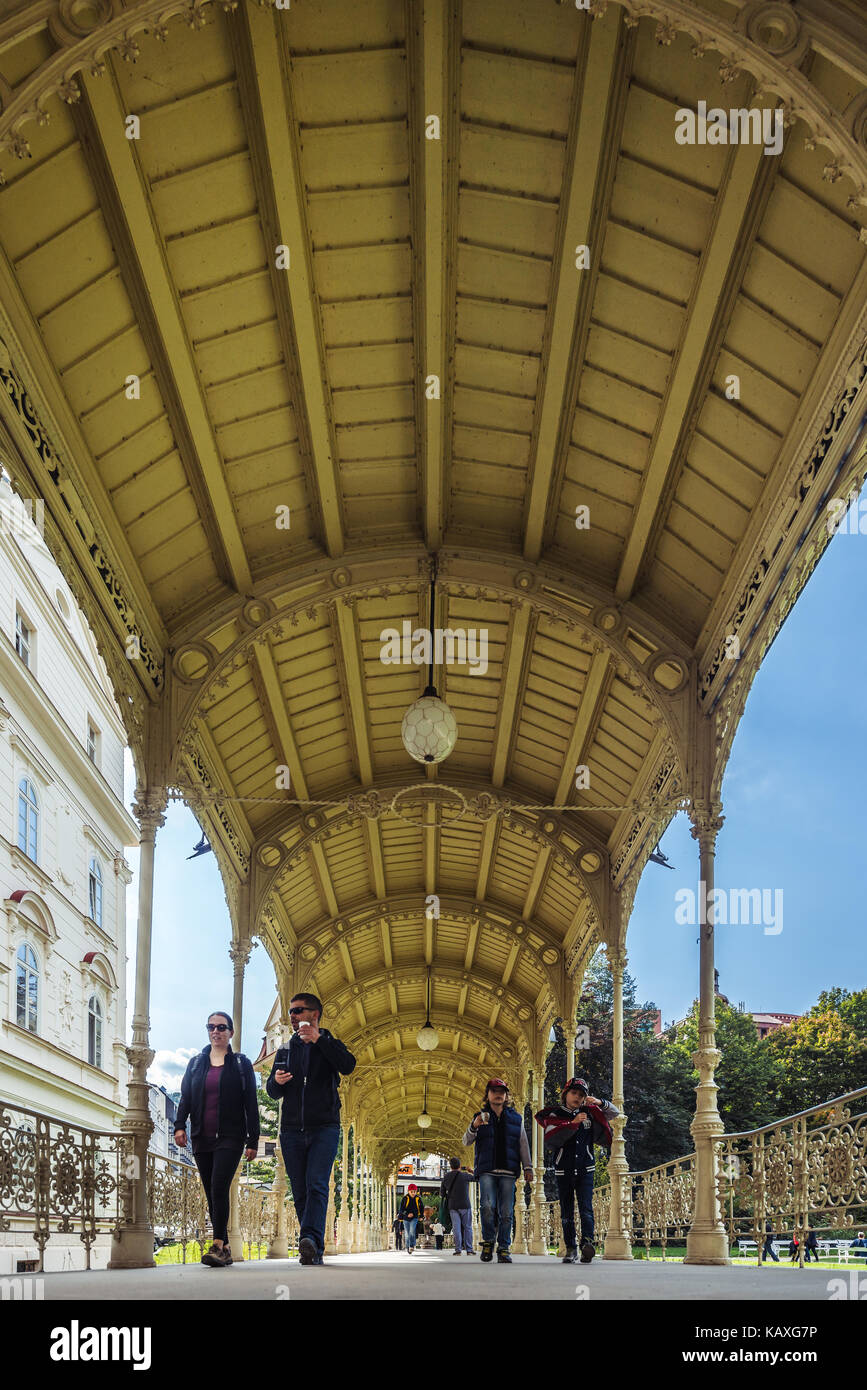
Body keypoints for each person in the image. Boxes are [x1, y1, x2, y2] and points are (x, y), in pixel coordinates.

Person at [266, 992, 356, 1266]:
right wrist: (278, 1081)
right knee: (301, 1189)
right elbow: (271, 1091)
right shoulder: (285, 1049)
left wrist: (319, 1040)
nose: (292, 1016)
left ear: (315, 1014)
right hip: (292, 1129)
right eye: (291, 1012)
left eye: (298, 1011)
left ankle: (310, 1239)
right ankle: (313, 1246)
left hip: (324, 1127)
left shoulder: (329, 1043)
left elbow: (348, 1065)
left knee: (317, 1183)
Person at [173, 1011, 259, 1268]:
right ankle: (228, 1249)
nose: (216, 1031)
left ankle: (218, 1244)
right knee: (212, 1193)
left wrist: (252, 1140)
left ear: (231, 1032)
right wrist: (179, 1126)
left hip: (231, 1137)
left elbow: (250, 1105)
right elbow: (186, 1096)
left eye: (222, 1027)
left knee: (219, 1187)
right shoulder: (196, 1064)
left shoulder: (242, 1065)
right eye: (211, 1027)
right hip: (201, 1137)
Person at [535, 1077, 617, 1264]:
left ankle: (587, 1245)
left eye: (581, 1095)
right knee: (566, 1211)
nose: (577, 1097)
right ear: (565, 1094)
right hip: (564, 1169)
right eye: (574, 1093)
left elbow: (614, 1113)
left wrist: (599, 1102)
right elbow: (551, 1139)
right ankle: (571, 1249)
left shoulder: (590, 1112)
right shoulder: (555, 1115)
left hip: (585, 1168)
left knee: (586, 1208)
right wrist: (572, 1123)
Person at [462, 1078, 532, 1265]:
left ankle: (503, 1247)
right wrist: (474, 1126)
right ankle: (488, 1243)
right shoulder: (480, 1117)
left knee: (506, 1211)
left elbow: (522, 1144)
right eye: (494, 1091)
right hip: (487, 1171)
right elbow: (466, 1141)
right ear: (488, 1095)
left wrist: (528, 1167)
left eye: (502, 1091)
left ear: (506, 1095)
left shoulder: (516, 1119)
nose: (498, 1094)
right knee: (486, 1207)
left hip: (508, 1171)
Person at [441, 1155, 476, 1255]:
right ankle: (469, 1250)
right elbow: (478, 1178)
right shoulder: (465, 1175)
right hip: (465, 1204)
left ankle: (458, 1250)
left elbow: (442, 1193)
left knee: (456, 1228)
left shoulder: (446, 1177)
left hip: (453, 1206)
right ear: (460, 1165)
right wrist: (471, 1170)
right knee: (467, 1227)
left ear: (450, 1166)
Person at [397, 1184, 424, 1253]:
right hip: (406, 1218)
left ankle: (411, 1246)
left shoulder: (418, 1198)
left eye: (414, 1191)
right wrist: (406, 1214)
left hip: (414, 1218)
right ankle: (407, 1246)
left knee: (412, 1231)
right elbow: (401, 1209)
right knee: (407, 1233)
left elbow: (421, 1208)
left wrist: (421, 1216)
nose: (413, 1193)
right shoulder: (405, 1198)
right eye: (411, 1191)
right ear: (408, 1191)